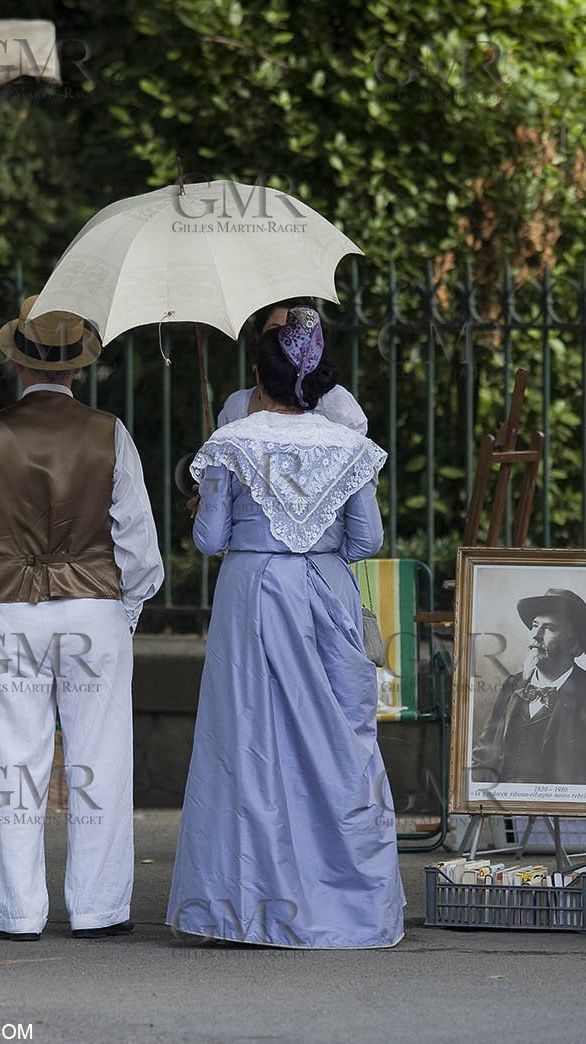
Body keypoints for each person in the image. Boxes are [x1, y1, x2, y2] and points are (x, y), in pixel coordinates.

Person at [167, 306, 404, 949]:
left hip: (252, 594)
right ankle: (353, 906)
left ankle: (248, 910)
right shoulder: (351, 444)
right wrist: (314, 541)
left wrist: (219, 502)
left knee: (247, 741)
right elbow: (367, 539)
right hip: (324, 590)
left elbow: (210, 538)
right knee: (336, 743)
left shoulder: (232, 439)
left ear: (255, 375)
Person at [0, 295, 163, 942]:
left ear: (14, 363)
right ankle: (97, 909)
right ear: (79, 369)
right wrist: (127, 614)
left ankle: (18, 914)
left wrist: (5, 529)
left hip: (12, 608)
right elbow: (139, 547)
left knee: (14, 764)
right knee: (101, 762)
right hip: (94, 611)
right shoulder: (110, 431)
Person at [470, 588, 586, 787]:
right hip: (503, 812)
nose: (535, 635)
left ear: (573, 643)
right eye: (534, 625)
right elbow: (484, 756)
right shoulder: (512, 685)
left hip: (565, 815)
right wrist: (479, 803)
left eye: (550, 628)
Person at [214, 298, 368, 434]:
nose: (285, 343)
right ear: (258, 336)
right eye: (275, 330)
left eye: (296, 334)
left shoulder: (336, 403)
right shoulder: (236, 406)